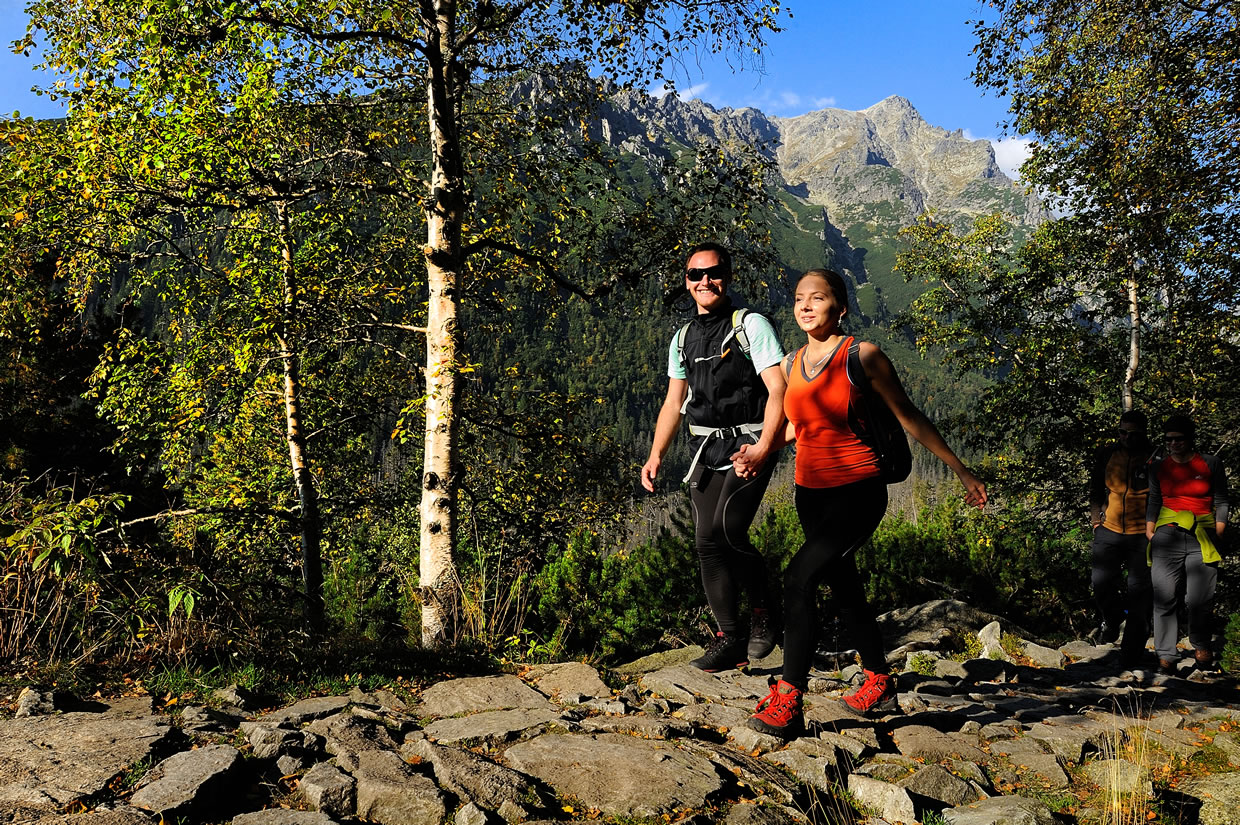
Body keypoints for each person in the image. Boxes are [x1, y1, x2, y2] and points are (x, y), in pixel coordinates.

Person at [742, 269, 986, 737]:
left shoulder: (863, 356)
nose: (806, 306)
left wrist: (961, 470)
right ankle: (879, 680)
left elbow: (909, 415)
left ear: (841, 307)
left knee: (799, 577)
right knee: (843, 584)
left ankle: (790, 697)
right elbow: (798, 427)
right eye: (798, 299)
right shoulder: (792, 363)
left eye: (818, 298)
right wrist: (759, 450)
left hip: (858, 490)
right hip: (809, 492)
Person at [641, 242, 788, 671]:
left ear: (728, 275)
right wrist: (655, 456)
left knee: (728, 529)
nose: (705, 281)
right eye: (695, 275)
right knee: (707, 542)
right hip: (704, 447)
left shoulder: (750, 325)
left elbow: (777, 388)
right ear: (686, 281)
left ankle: (763, 611)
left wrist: (764, 447)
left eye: (714, 272)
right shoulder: (683, 337)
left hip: (751, 442)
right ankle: (730, 638)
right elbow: (674, 403)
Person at [1145, 413, 1228, 674]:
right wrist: (1150, 530)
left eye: (1179, 439)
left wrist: (1219, 528)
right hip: (1166, 535)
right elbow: (1154, 499)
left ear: (1190, 440)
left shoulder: (1211, 464)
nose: (1173, 444)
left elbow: (1222, 499)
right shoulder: (1157, 467)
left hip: (1201, 535)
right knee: (1164, 596)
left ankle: (1201, 645)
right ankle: (1166, 656)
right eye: (1169, 439)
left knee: (1199, 598)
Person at [1087, 410, 1154, 666]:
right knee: (1100, 583)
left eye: (1132, 433)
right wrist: (1095, 520)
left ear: (1143, 433)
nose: (1126, 437)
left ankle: (1130, 654)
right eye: (1122, 432)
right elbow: (1096, 488)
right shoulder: (1107, 454)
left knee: (1139, 592)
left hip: (1142, 535)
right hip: (1109, 529)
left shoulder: (1155, 457)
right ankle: (1112, 619)